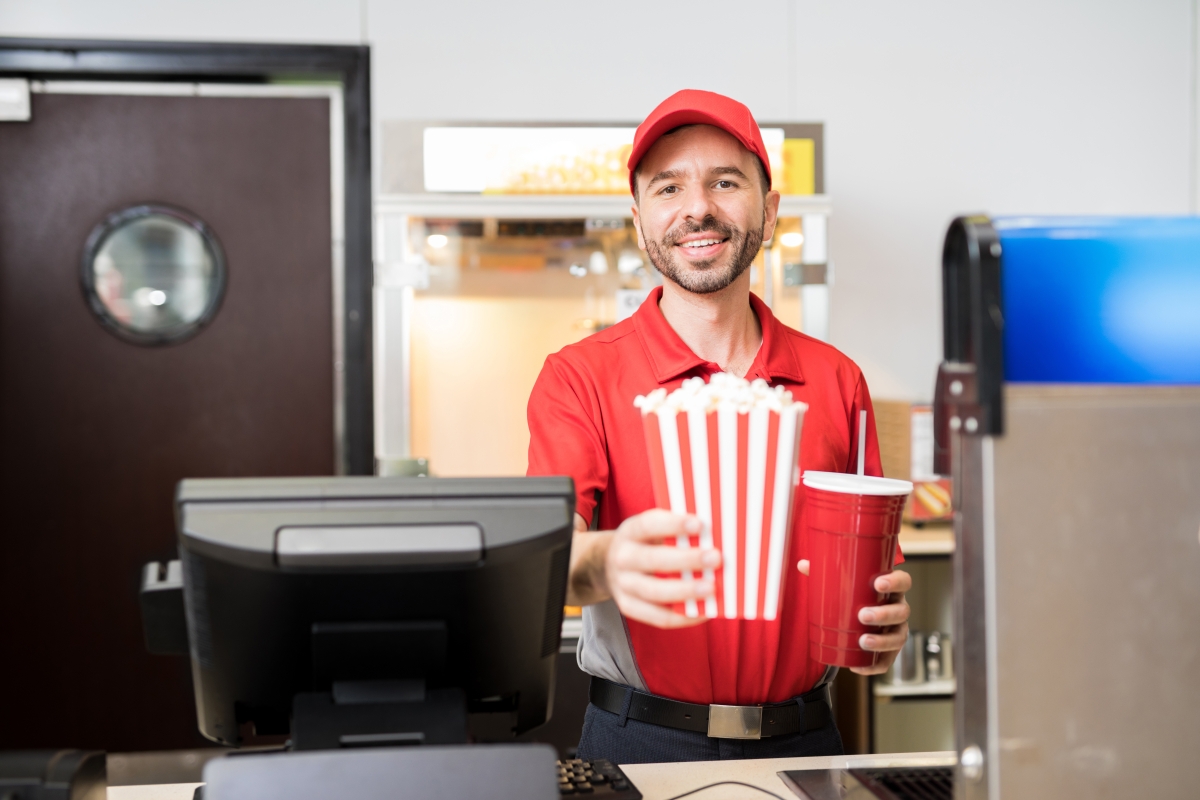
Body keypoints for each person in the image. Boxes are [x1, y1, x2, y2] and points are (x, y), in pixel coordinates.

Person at [527, 89, 911, 763]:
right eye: (668, 187)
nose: (696, 207)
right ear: (639, 219)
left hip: (807, 742)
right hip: (638, 743)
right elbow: (548, 561)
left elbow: (872, 559)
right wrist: (609, 561)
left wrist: (885, 616)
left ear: (770, 207)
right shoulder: (578, 376)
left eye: (725, 182)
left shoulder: (838, 380)